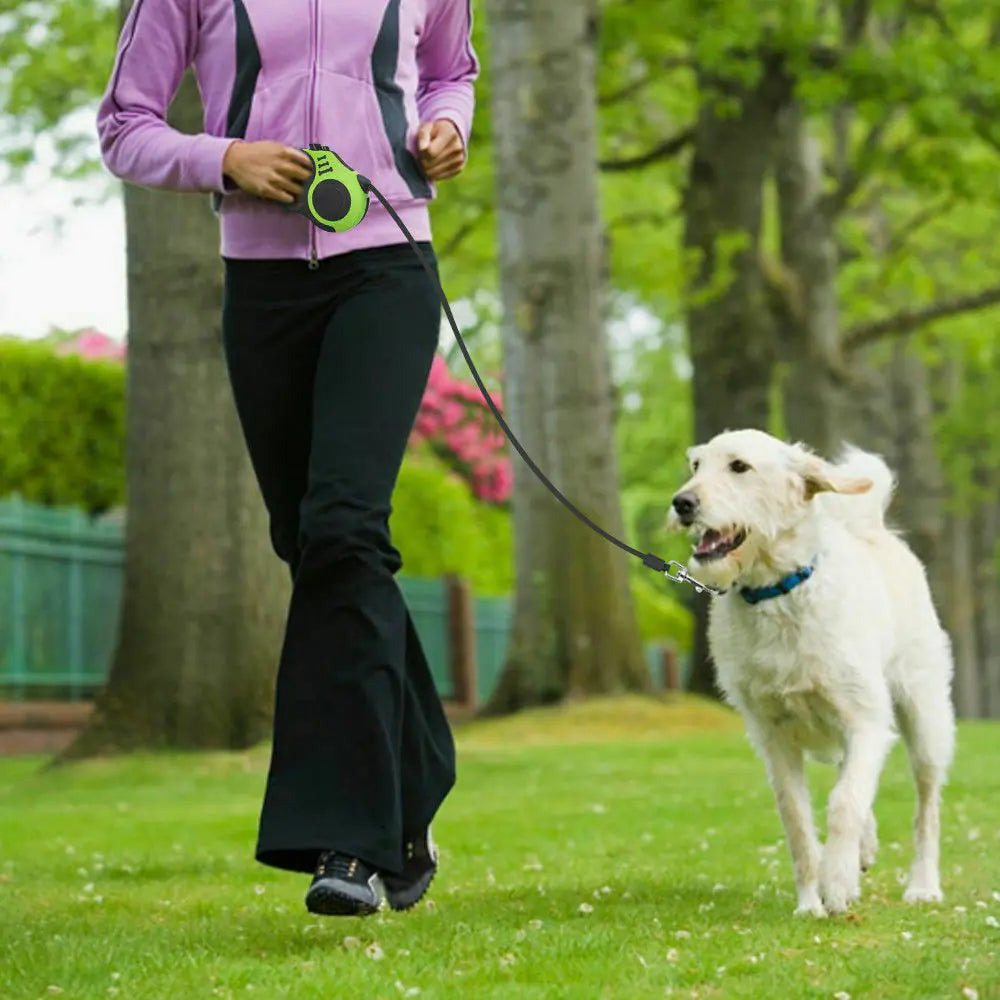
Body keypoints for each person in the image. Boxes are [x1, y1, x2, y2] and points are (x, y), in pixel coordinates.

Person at [95, 0, 478, 917]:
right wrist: (222, 157)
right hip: (262, 285)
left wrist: (446, 129)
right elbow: (124, 126)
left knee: (345, 525)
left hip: (388, 263)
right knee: (316, 546)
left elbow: (449, 71)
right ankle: (413, 789)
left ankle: (345, 844)